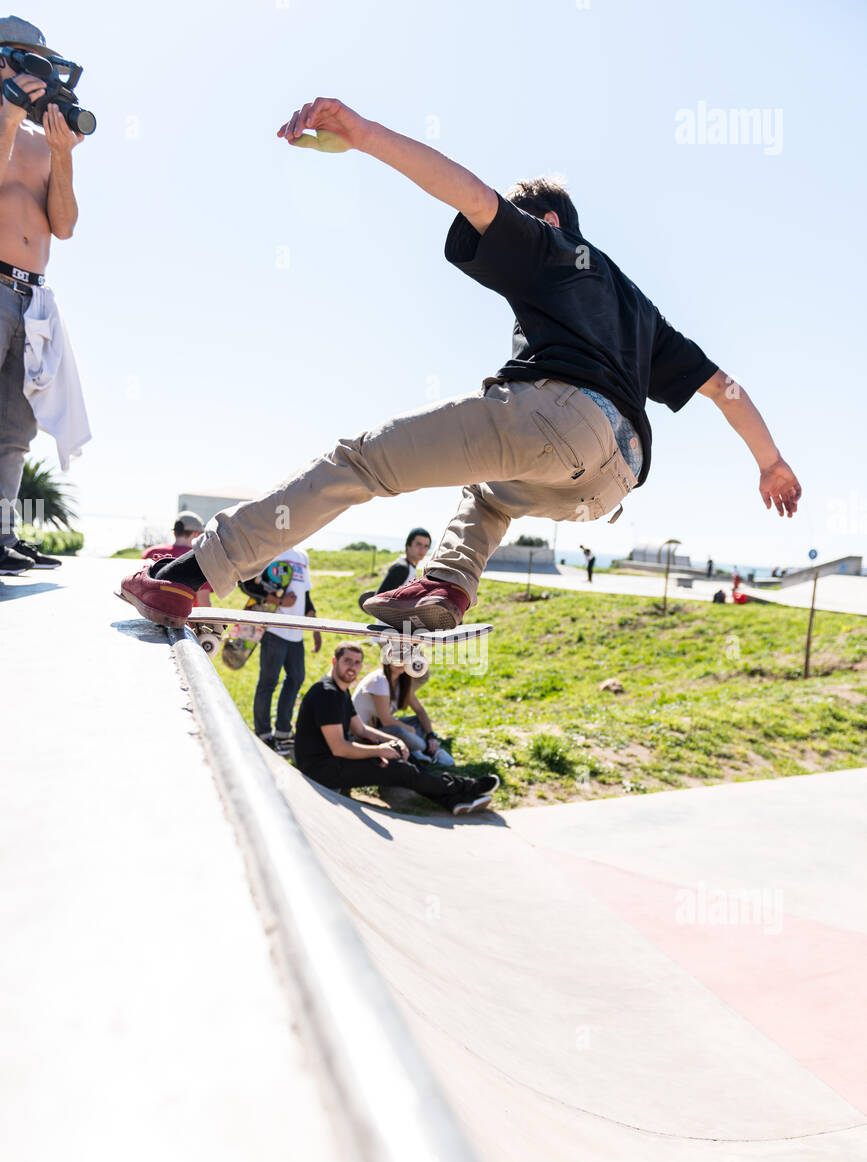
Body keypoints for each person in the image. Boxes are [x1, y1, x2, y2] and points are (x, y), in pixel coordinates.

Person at [119, 96, 803, 634]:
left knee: (358, 462)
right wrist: (770, 464)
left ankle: (196, 569)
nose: (494, 234)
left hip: (558, 416)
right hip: (611, 481)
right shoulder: (637, 308)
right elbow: (724, 387)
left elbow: (473, 196)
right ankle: (445, 583)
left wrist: (366, 134)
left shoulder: (551, 247)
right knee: (487, 492)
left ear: (549, 223)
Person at [0, 16, 87, 577]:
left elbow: (65, 224)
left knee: (14, 426)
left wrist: (63, 153)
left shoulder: (42, 138)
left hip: (32, 299)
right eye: (23, 58)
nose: (36, 72)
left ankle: (1, 534)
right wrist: (8, 112)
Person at [294, 643, 498, 815]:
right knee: (402, 770)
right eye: (347, 661)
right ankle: (468, 787)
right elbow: (339, 748)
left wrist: (394, 743)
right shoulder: (326, 694)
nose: (352, 668)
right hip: (322, 769)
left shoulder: (341, 691)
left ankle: (454, 800)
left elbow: (362, 730)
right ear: (334, 661)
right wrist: (380, 750)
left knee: (404, 756)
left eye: (357, 663)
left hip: (335, 761)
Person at [246, 546, 321, 754]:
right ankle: (263, 734)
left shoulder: (302, 555)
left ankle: (283, 731)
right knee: (268, 682)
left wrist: (315, 628)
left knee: (296, 678)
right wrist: (278, 601)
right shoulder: (271, 549)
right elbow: (247, 585)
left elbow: (305, 595)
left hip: (296, 633)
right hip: (274, 629)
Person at [353, 652, 455, 765]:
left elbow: (420, 711)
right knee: (401, 731)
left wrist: (431, 736)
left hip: (381, 727)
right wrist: (409, 729)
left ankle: (419, 748)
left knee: (418, 721)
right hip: (363, 733)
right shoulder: (380, 680)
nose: (400, 662)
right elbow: (387, 721)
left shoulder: (402, 681)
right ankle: (427, 749)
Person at [142, 511, 212, 607]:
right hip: (181, 618)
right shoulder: (198, 558)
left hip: (148, 615)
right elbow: (203, 602)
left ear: (175, 532)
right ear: (196, 534)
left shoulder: (150, 552)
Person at [358, 526, 431, 612]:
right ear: (408, 545)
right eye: (418, 544)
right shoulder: (401, 568)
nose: (422, 549)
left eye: (426, 546)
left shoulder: (410, 567)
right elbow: (378, 600)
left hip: (402, 624)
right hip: (388, 624)